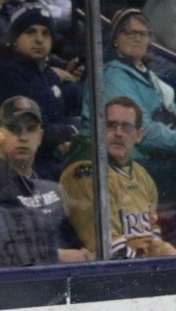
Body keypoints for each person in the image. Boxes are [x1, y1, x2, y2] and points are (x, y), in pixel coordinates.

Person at [0, 96, 92, 267]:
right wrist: (58, 256)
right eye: (13, 128)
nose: (23, 137)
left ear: (40, 136)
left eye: (31, 129)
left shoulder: (51, 189)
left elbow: (78, 245)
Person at [61, 97, 176, 258]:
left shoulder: (141, 174)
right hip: (107, 274)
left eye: (127, 127)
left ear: (139, 134)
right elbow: (108, 249)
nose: (118, 133)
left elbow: (152, 229)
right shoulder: (86, 171)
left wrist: (161, 252)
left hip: (139, 267)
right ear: (98, 129)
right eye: (111, 125)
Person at [0, 2, 80, 180]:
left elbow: (56, 120)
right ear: (15, 38)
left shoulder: (49, 75)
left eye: (45, 33)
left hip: (47, 162)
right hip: (18, 167)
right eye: (30, 32)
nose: (39, 39)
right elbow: (23, 133)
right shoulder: (4, 74)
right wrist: (73, 131)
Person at [90, 8, 176, 208]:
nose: (137, 38)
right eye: (129, 32)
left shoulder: (148, 75)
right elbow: (142, 131)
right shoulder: (112, 76)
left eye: (143, 33)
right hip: (132, 161)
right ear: (116, 38)